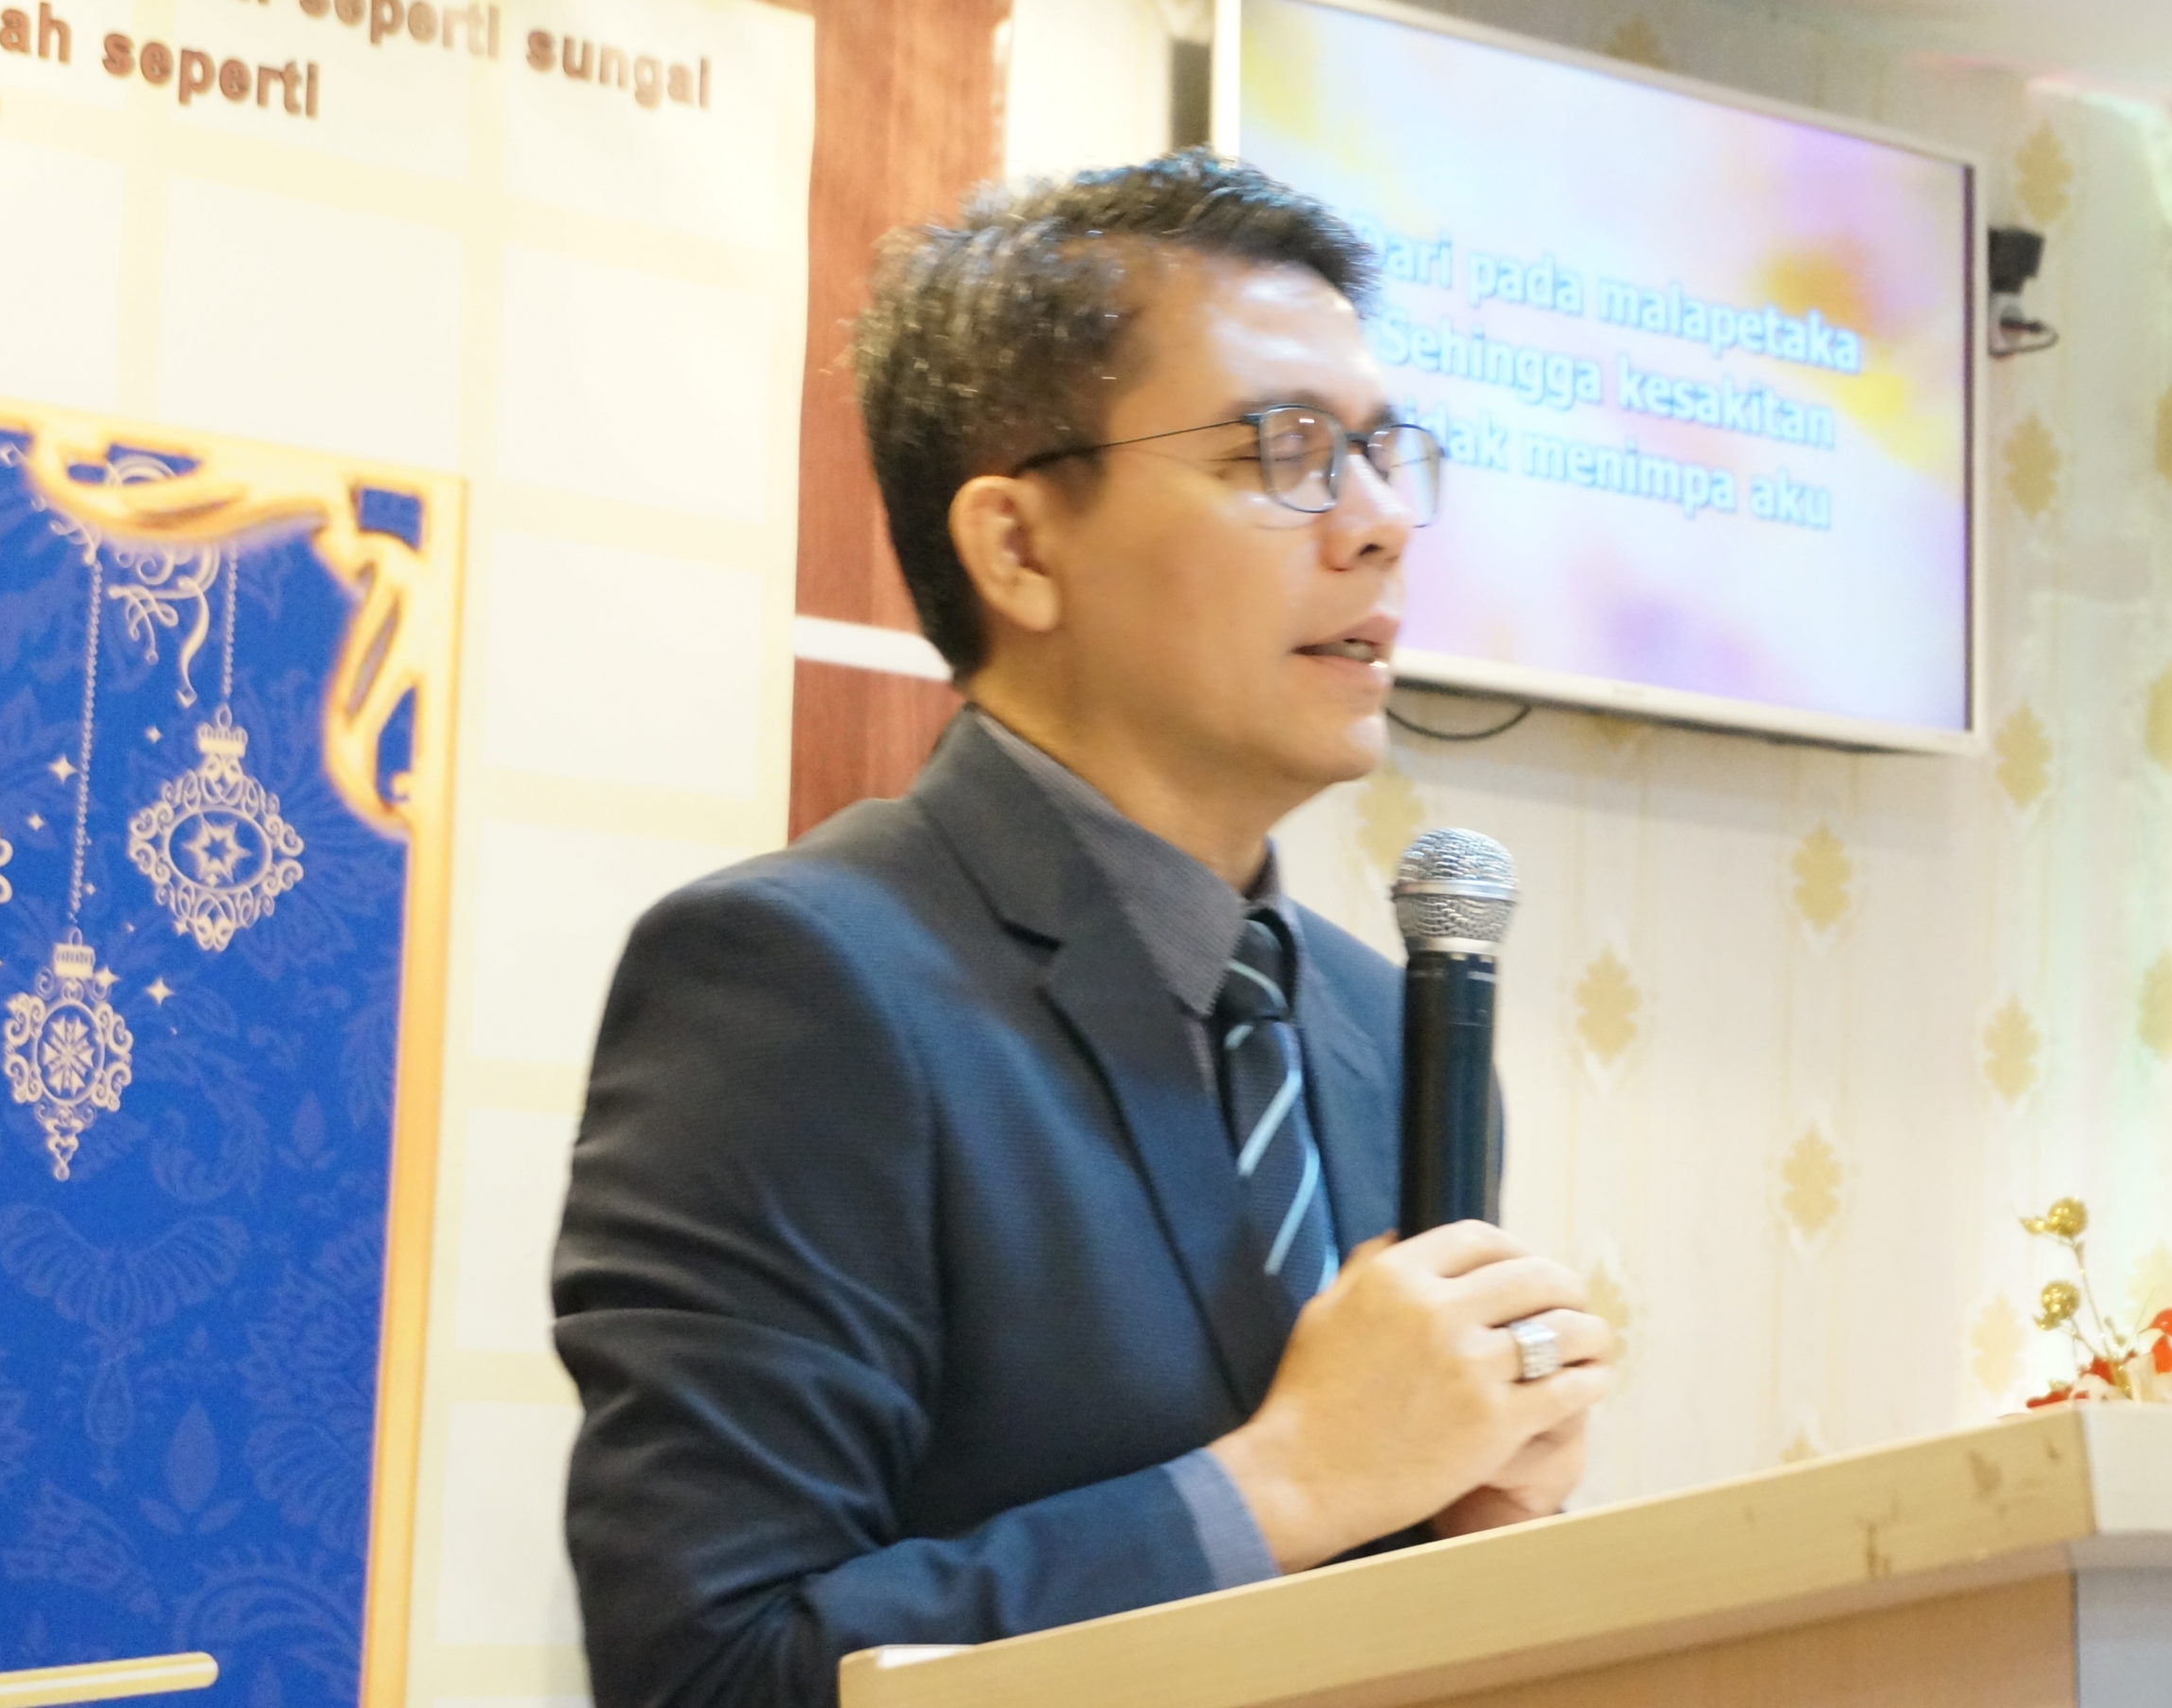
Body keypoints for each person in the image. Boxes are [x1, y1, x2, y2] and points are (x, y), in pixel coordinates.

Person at [550, 150, 1616, 1707]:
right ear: (1019, 547)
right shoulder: (797, 980)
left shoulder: (1389, 1030)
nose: (1381, 523)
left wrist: (1478, 1523)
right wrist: (1300, 1479)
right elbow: (710, 1672)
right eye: (1284, 451)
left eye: (1387, 455)